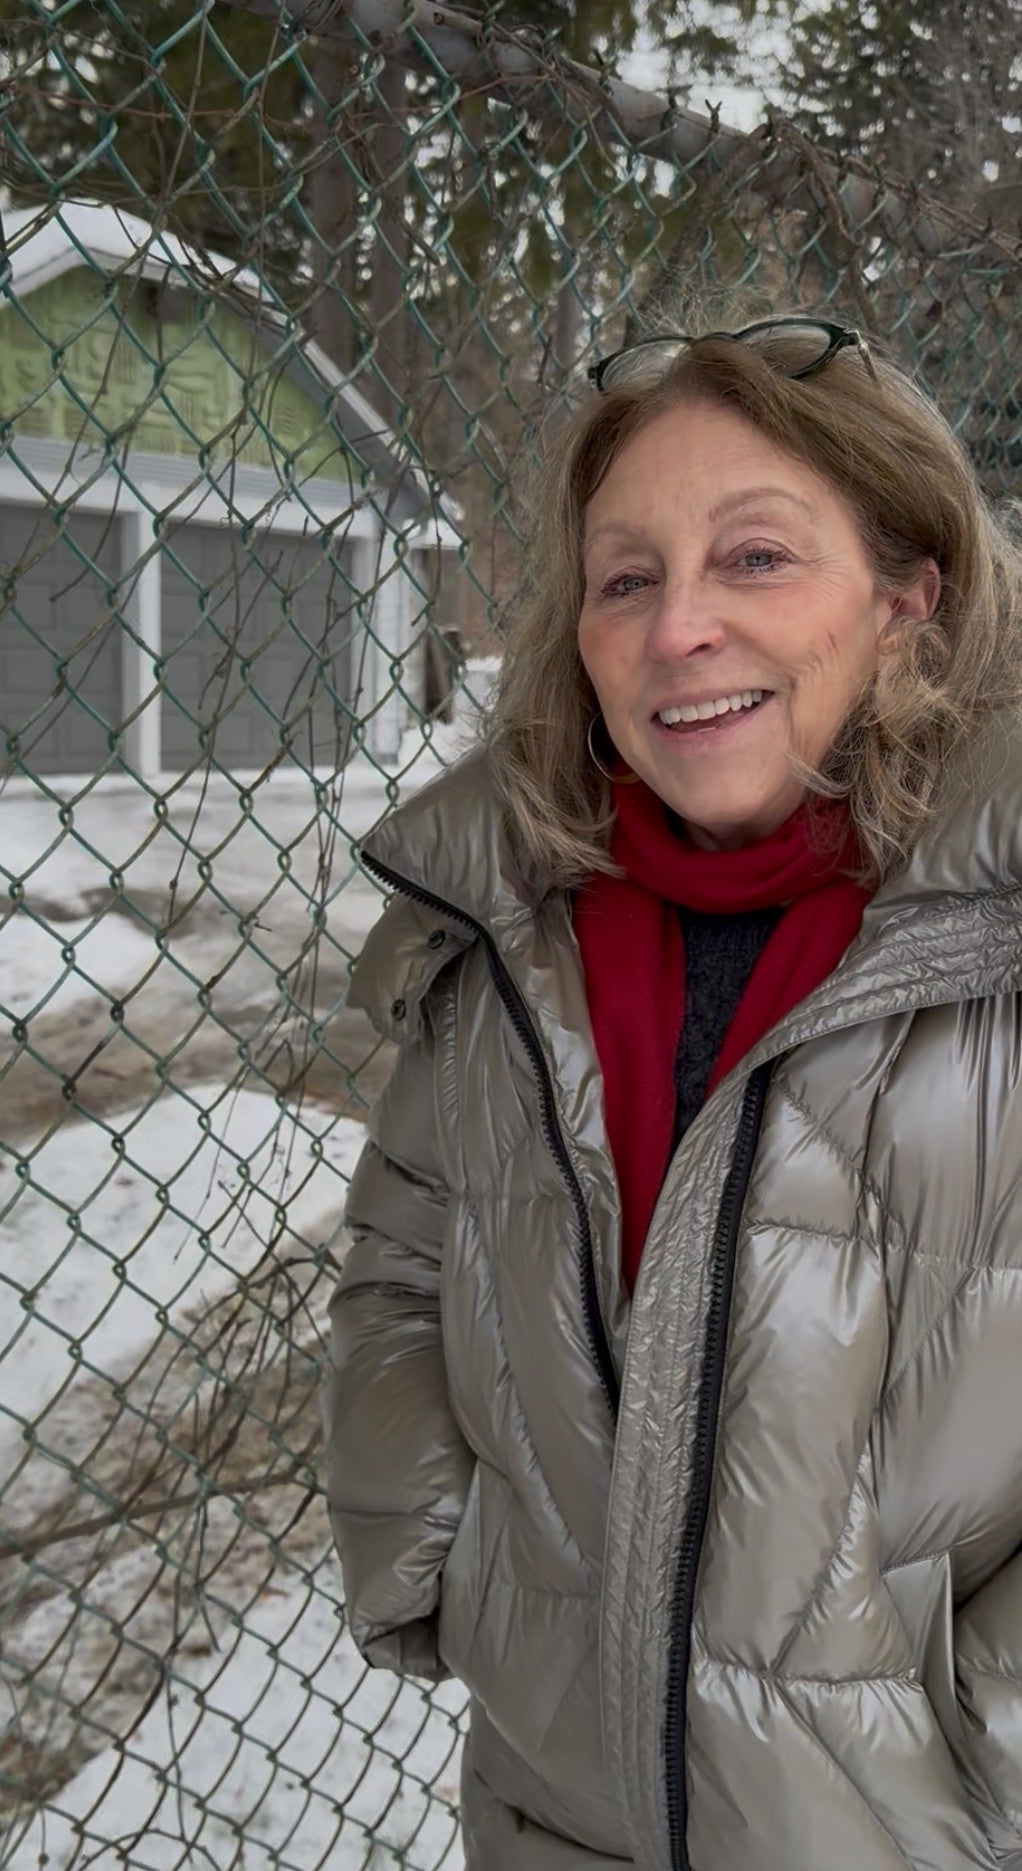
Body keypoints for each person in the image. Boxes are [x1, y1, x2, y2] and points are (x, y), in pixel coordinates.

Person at [322, 313, 1022, 1871]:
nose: (676, 628)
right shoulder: (505, 938)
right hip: (551, 1808)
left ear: (909, 602)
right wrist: (436, 1562)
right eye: (624, 578)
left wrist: (981, 1741)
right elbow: (396, 1262)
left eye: (755, 558)